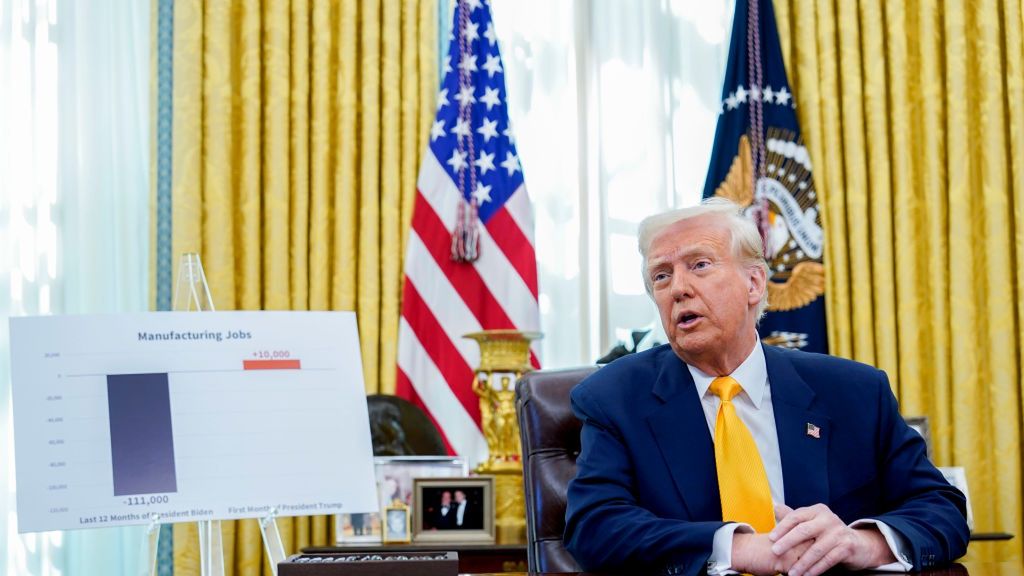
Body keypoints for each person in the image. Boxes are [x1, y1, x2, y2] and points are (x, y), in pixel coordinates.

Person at [563, 198, 969, 576]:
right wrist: (739, 549)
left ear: (754, 284)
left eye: (699, 265)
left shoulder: (855, 392)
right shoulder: (614, 398)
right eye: (662, 276)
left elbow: (941, 509)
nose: (678, 288)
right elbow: (595, 526)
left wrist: (859, 543)